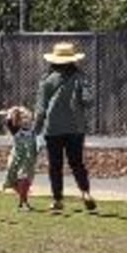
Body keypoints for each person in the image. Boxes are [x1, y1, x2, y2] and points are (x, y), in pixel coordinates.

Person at [32, 42, 98, 214]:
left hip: (53, 129)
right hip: (76, 128)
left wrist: (35, 130)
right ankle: (85, 193)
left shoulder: (47, 80)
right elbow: (88, 101)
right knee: (77, 163)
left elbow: (41, 108)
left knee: (55, 165)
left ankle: (57, 200)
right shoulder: (81, 77)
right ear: (72, 60)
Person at [0, 105, 42, 212]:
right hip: (17, 159)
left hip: (29, 160)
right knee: (13, 181)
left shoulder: (33, 131)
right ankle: (23, 201)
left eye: (27, 117)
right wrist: (13, 110)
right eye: (22, 118)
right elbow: (9, 120)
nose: (25, 120)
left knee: (25, 180)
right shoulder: (16, 130)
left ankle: (23, 202)